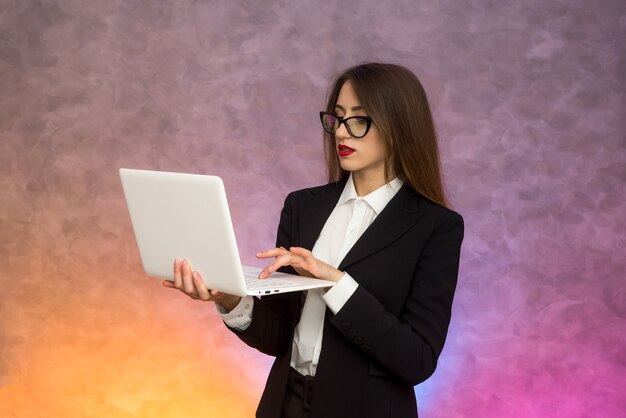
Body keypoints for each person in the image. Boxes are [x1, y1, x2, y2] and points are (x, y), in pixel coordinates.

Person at [163, 62, 464, 418]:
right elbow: (280, 336)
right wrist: (230, 298)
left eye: (359, 119)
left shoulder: (435, 226)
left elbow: (417, 360)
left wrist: (335, 282)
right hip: (284, 402)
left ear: (399, 127)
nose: (340, 133)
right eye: (336, 118)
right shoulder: (303, 206)